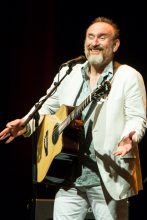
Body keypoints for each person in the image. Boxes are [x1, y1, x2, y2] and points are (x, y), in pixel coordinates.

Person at [0, 16, 146, 220]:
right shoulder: (69, 72)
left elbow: (136, 117)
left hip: (108, 177)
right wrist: (26, 124)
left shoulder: (128, 76)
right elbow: (46, 105)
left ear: (115, 45)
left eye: (102, 37)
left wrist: (130, 136)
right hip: (68, 176)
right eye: (90, 37)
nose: (94, 42)